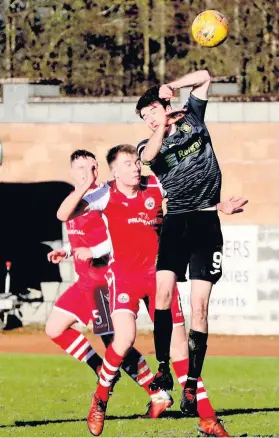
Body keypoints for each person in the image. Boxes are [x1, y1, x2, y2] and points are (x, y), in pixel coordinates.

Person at [57, 145, 247, 437]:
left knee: (180, 348)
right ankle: (100, 399)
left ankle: (207, 418)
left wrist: (218, 207)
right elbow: (63, 214)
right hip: (125, 278)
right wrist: (82, 188)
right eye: (128, 164)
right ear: (115, 171)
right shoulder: (104, 194)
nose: (136, 167)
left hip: (160, 277)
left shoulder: (156, 185)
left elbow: (189, 200)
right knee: (124, 339)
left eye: (137, 162)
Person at [136, 70, 248, 418]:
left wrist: (175, 86)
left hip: (206, 221)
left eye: (152, 111)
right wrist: (158, 127)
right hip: (176, 222)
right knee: (164, 294)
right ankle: (164, 366)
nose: (150, 118)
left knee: (200, 307)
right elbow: (146, 157)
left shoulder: (192, 116)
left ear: (163, 105)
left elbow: (205, 76)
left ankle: (192, 382)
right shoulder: (149, 144)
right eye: (144, 117)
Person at [46, 149, 173, 420]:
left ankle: (157, 392)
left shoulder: (104, 196)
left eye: (91, 168)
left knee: (117, 341)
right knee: (54, 328)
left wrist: (93, 252)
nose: (86, 173)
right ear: (72, 171)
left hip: (104, 281)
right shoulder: (79, 198)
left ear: (98, 170)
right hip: (84, 283)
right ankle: (99, 367)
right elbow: (79, 233)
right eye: (80, 168)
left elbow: (113, 239)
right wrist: (67, 251)